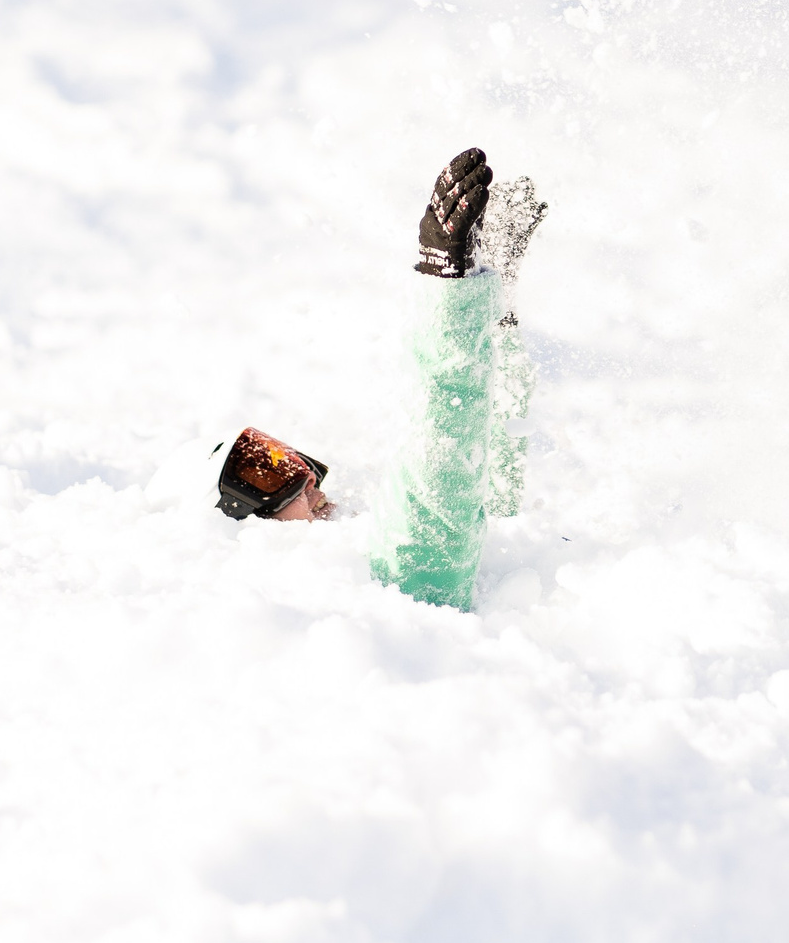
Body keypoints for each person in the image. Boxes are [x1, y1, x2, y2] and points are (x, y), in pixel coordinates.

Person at [201, 149, 545, 612]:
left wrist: (494, 313)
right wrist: (451, 295)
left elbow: (489, 481)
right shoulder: (389, 585)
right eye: (267, 479)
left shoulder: (358, 560)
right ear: (236, 525)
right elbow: (439, 474)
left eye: (286, 463)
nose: (309, 484)